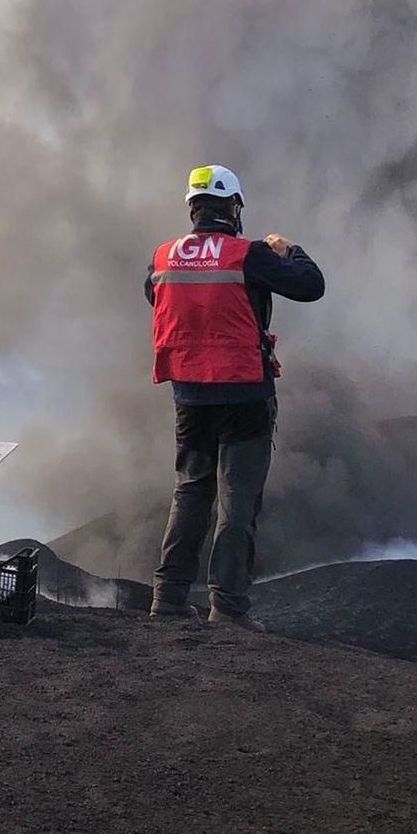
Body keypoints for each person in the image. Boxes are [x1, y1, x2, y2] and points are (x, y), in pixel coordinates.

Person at [146, 165, 324, 628]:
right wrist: (290, 250)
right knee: (237, 501)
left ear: (192, 209)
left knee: (190, 491)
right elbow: (311, 286)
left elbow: (156, 296)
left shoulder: (163, 257)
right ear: (234, 207)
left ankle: (167, 598)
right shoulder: (249, 255)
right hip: (244, 394)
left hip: (189, 396)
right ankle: (226, 607)